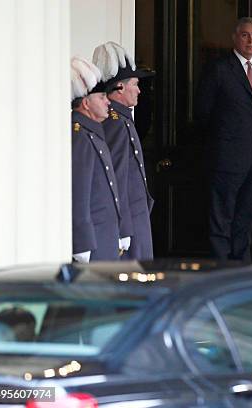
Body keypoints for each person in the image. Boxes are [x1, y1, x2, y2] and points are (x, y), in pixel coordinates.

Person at [195, 17, 252, 261]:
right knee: (221, 219)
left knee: (245, 219)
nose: (251, 41)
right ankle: (221, 269)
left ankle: (242, 268)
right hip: (226, 159)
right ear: (235, 37)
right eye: (245, 35)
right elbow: (203, 112)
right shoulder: (219, 69)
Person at [93, 42, 155, 260]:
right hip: (130, 221)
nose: (139, 90)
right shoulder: (115, 123)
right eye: (135, 84)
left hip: (136, 216)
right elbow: (116, 179)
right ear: (120, 87)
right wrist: (124, 229)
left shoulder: (121, 120)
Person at [71, 56, 122, 262]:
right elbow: (79, 192)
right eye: (102, 97)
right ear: (86, 103)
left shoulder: (92, 132)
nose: (108, 101)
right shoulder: (80, 135)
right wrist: (81, 242)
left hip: (104, 236)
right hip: (93, 240)